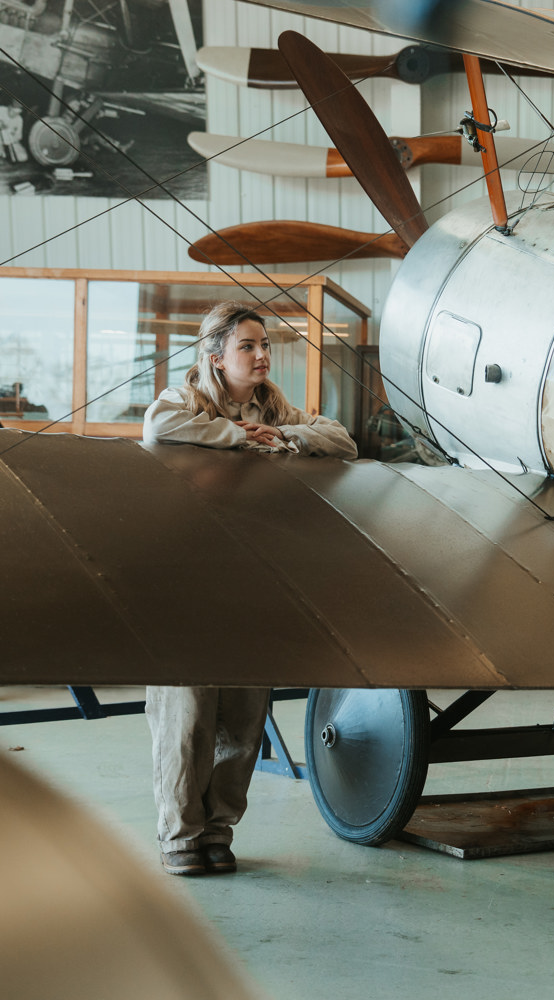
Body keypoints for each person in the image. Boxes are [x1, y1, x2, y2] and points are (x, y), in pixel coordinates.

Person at [143, 301, 357, 876]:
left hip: (254, 576)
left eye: (266, 345)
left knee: (242, 712)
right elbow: (155, 427)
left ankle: (218, 829)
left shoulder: (276, 406)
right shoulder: (181, 401)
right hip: (188, 577)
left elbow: (341, 441)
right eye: (249, 346)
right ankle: (179, 835)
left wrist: (284, 433)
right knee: (186, 713)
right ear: (216, 356)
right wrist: (238, 436)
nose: (263, 355)